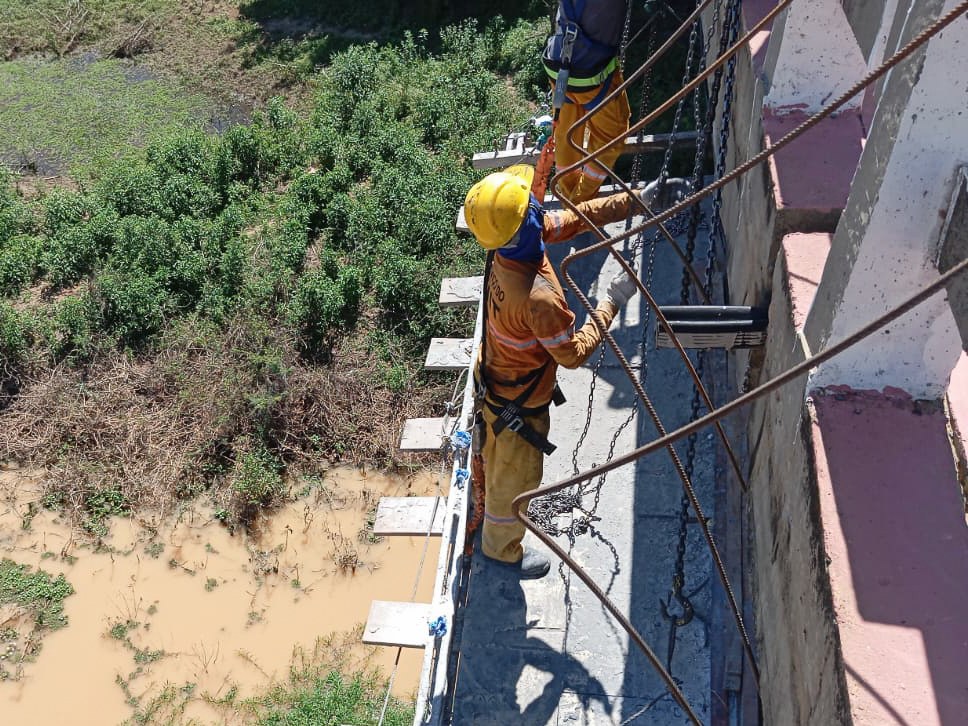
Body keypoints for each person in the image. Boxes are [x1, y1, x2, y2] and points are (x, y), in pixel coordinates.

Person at [463, 166, 689, 578]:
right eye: (528, 204)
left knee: (499, 466)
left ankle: (493, 515)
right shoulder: (538, 299)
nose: (537, 205)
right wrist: (613, 302)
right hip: (517, 406)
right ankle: (500, 548)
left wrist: (637, 200)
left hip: (497, 376)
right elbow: (572, 354)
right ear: (520, 224)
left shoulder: (508, 248)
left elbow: (573, 219)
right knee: (515, 482)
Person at [542, 0, 631, 203]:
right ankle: (580, 201)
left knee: (566, 133)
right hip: (591, 75)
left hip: (558, 63)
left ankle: (568, 193)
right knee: (611, 136)